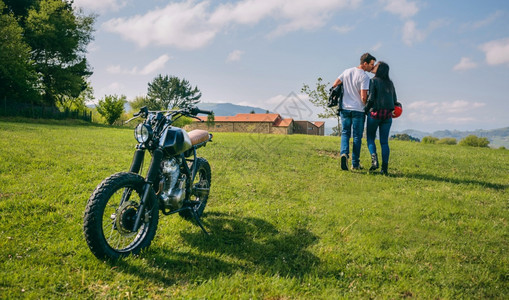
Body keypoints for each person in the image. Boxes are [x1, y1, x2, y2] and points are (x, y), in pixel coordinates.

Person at [332, 53, 376, 170]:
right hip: (358, 110)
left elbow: (335, 84)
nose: (372, 67)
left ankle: (344, 154)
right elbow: (363, 97)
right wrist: (367, 105)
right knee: (357, 136)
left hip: (345, 108)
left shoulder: (347, 71)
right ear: (365, 63)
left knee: (345, 133)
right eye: (371, 64)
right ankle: (355, 164)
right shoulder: (364, 77)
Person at [364, 61, 399, 175]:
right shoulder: (390, 83)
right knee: (384, 142)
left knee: (370, 138)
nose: (373, 67)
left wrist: (365, 110)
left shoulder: (373, 81)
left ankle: (374, 161)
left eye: (376, 65)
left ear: (380, 69)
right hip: (387, 116)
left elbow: (371, 98)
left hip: (375, 114)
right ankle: (384, 169)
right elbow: (395, 100)